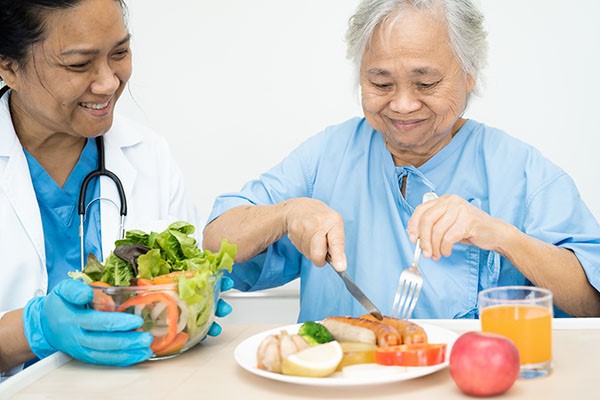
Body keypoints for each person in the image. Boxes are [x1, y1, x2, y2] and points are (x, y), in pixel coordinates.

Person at [203, 0, 600, 322]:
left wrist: (503, 238)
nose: (403, 105)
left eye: (426, 83)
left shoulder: (520, 171)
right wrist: (287, 213)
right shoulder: (328, 155)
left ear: (469, 75)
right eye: (380, 83)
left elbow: (592, 300)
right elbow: (215, 241)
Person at [0, 0, 232, 379]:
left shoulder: (149, 155)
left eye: (120, 52)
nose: (109, 82)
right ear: (9, 66)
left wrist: (189, 309)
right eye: (78, 64)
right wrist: (31, 330)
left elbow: (176, 302)